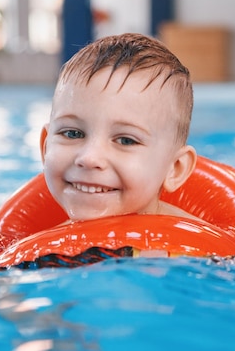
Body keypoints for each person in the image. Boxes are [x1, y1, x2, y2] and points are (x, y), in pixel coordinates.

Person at [39, 32, 199, 222]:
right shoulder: (32, 247)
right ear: (46, 147)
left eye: (126, 140)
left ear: (175, 168)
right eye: (73, 133)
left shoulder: (203, 249)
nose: (89, 158)